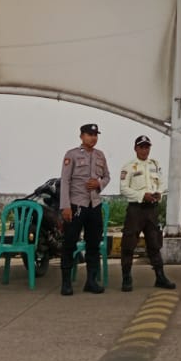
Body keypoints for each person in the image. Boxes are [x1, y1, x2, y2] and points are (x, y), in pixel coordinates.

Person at [59, 122, 111, 296]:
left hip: (94, 205)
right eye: (89, 134)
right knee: (69, 243)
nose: (93, 138)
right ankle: (66, 282)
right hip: (76, 205)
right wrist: (65, 206)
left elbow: (107, 176)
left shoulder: (100, 155)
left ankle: (91, 281)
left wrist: (99, 183)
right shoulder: (72, 155)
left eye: (95, 135)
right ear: (81, 136)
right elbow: (65, 181)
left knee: (93, 244)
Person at [118, 134, 174, 292]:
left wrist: (159, 193)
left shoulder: (154, 164)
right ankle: (126, 277)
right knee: (128, 244)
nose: (144, 150)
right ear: (135, 148)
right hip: (136, 209)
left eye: (147, 147)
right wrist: (142, 195)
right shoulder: (129, 167)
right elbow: (123, 189)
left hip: (151, 209)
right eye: (141, 147)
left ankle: (160, 276)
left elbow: (161, 183)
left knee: (154, 243)